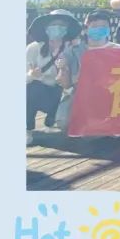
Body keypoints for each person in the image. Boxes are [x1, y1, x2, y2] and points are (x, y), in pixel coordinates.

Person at [55, 10, 116, 132]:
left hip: (110, 95)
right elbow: (66, 85)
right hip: (81, 95)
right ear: (86, 29)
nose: (99, 29)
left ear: (109, 29)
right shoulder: (73, 51)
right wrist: (63, 68)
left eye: (103, 26)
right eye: (94, 26)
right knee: (64, 122)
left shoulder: (118, 50)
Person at [26, 10, 82, 144]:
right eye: (53, 25)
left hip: (60, 93)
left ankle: (51, 121)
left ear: (67, 30)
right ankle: (27, 128)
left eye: (62, 26)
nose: (57, 28)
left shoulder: (72, 50)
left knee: (65, 115)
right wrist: (31, 75)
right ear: (46, 28)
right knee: (31, 89)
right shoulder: (33, 48)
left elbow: (73, 81)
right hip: (37, 91)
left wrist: (64, 69)